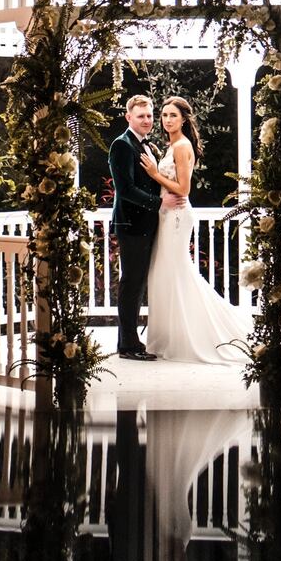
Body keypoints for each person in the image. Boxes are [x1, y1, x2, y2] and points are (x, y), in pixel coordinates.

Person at [139, 96, 251, 364]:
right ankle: (168, 335)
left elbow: (184, 189)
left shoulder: (181, 145)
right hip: (167, 214)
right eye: (164, 115)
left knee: (176, 272)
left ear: (184, 119)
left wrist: (154, 173)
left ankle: (194, 335)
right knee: (165, 274)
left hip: (176, 215)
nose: (167, 120)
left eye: (172, 116)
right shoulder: (172, 145)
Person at [108, 94, 185, 360]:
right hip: (131, 223)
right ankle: (128, 345)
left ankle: (129, 341)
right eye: (141, 116)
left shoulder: (145, 144)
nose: (147, 120)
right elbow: (125, 189)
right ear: (129, 117)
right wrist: (159, 202)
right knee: (131, 283)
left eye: (150, 115)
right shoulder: (121, 145)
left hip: (146, 223)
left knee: (138, 282)